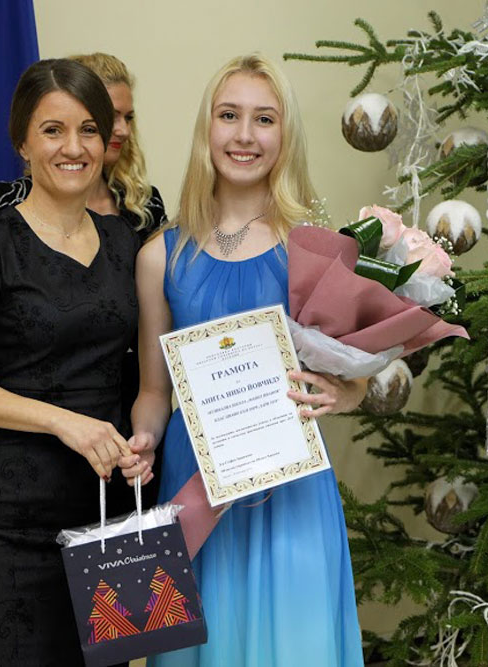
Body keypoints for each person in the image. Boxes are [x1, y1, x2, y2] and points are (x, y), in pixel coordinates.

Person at [122, 54, 367, 667]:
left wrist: (345, 394)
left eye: (265, 118)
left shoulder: (317, 249)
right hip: (193, 485)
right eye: (229, 115)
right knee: (200, 647)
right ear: (207, 127)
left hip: (291, 485)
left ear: (285, 134)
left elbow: (356, 377)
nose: (245, 135)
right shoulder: (160, 256)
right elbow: (154, 392)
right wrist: (143, 440)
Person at [0, 58, 143, 665]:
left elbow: (145, 370)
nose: (74, 147)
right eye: (53, 130)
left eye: (89, 130)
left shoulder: (126, 244)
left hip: (107, 524)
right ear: (22, 142)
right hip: (1, 531)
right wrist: (63, 422)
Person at [0, 53, 167, 500]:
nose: (120, 129)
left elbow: (162, 314)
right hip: (30, 453)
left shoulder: (138, 213)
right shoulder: (5, 221)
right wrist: (62, 419)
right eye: (110, 116)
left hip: (128, 431)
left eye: (126, 118)